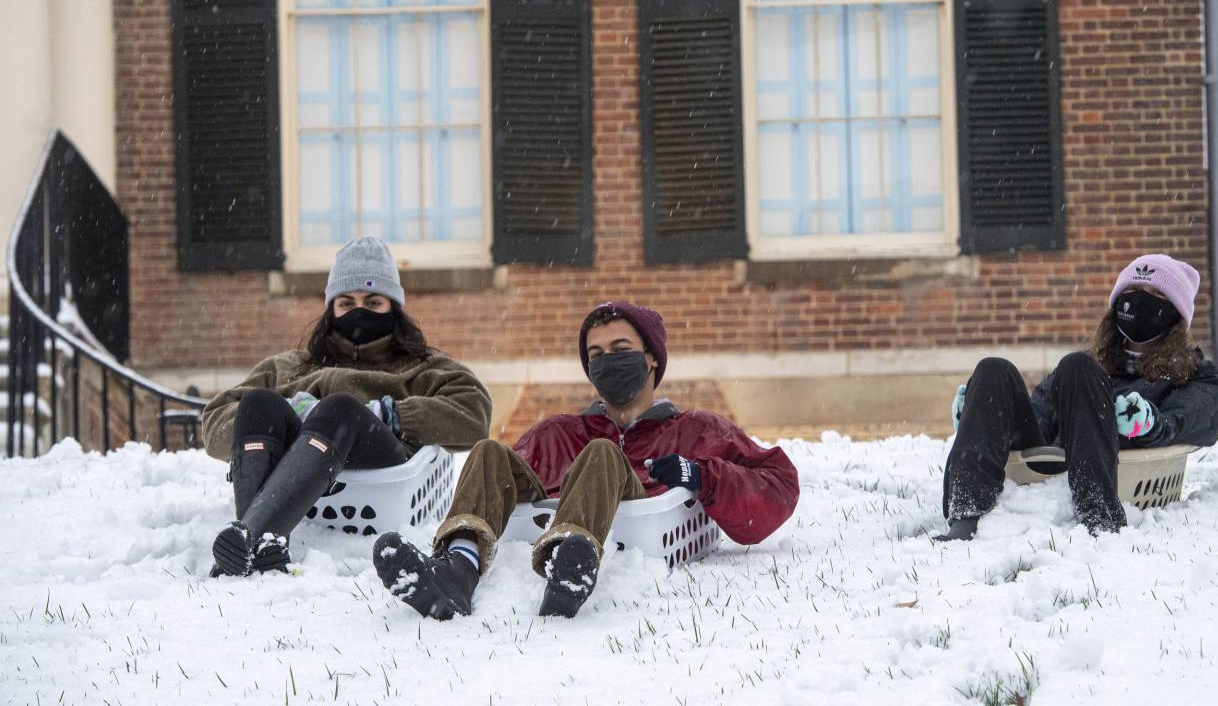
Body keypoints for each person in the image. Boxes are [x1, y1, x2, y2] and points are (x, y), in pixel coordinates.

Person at [373, 301, 801, 620]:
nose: (607, 361)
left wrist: (700, 475)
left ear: (651, 357)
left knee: (602, 453)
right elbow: (504, 484)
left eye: (620, 348)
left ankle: (570, 566)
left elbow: (778, 486)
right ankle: (457, 570)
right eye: (595, 355)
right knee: (488, 450)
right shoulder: (560, 433)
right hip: (559, 503)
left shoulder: (697, 430)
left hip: (643, 522)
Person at [200, 236, 492, 576]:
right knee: (259, 402)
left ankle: (248, 538)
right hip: (303, 461)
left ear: (393, 308)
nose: (358, 312)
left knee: (340, 408)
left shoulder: (422, 367)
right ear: (331, 309)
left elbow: (474, 413)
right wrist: (293, 417)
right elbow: (216, 424)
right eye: (346, 302)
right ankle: (262, 545)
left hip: (380, 467)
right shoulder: (289, 367)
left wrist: (390, 415)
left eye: (372, 302)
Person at [935, 254, 1218, 540]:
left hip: (1118, 483)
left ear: (1175, 314)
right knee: (993, 369)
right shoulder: (1088, 366)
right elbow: (1041, 417)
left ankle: (1099, 518)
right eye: (1133, 290)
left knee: (1079, 365)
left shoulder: (1198, 375)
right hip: (1050, 472)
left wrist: (1150, 425)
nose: (1140, 300)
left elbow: (1191, 419)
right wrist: (984, 415)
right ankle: (965, 515)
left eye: (1155, 293)